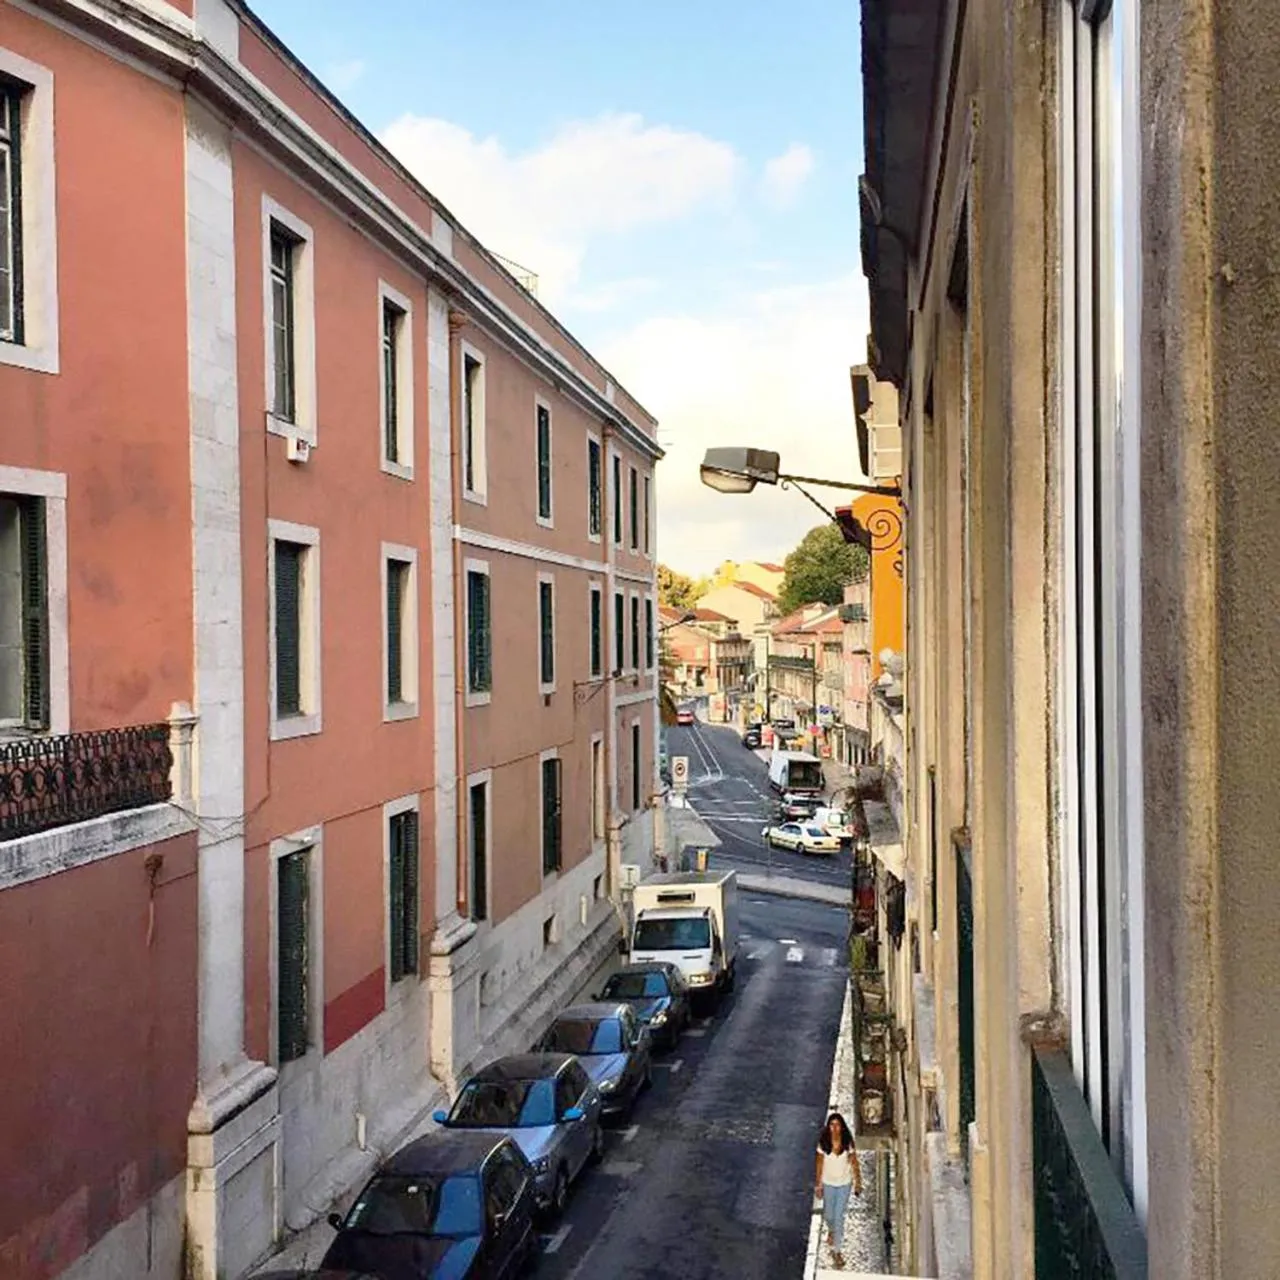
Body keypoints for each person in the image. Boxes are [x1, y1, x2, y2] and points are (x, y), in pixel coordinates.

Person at [815, 1111, 862, 1269]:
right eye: (832, 1125)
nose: (834, 1128)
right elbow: (820, 1165)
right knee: (829, 1215)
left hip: (844, 1183)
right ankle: (831, 1230)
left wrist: (858, 1183)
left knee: (838, 1216)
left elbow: (855, 1164)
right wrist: (819, 1184)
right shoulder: (823, 1143)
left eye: (837, 1125)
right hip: (828, 1183)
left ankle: (837, 1251)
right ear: (828, 1127)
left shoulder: (848, 1143)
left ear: (842, 1127)